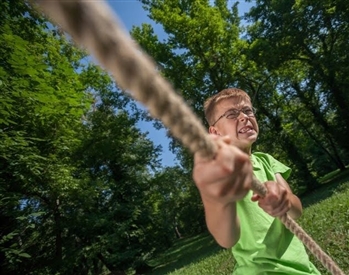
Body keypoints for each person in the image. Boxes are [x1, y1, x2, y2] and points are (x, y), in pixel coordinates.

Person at [192, 88, 320, 274]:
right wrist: (214, 197)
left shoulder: (266, 161)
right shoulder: (220, 171)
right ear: (215, 132)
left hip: (302, 268)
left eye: (248, 111)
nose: (244, 117)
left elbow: (296, 211)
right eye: (232, 114)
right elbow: (226, 238)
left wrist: (285, 201)